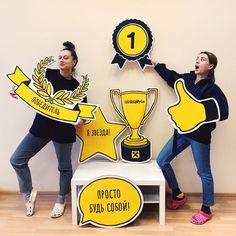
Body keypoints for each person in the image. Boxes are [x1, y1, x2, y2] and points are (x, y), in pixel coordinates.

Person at [10, 41, 86, 218]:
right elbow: (28, 87)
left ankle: (61, 200)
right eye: (59, 57)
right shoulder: (46, 74)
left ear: (74, 62)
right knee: (17, 159)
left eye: (65, 58)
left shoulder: (78, 87)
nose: (61, 60)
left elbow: (83, 115)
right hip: (41, 127)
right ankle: (28, 195)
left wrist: (80, 121)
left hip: (63, 132)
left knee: (64, 168)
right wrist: (17, 90)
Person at [152, 51, 229, 224]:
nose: (197, 60)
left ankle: (206, 209)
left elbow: (223, 111)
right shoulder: (186, 79)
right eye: (197, 58)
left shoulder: (212, 89)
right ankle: (178, 195)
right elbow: (172, 77)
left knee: (203, 172)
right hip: (182, 132)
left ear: (210, 67)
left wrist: (199, 115)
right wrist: (156, 65)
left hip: (199, 137)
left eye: (202, 59)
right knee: (162, 161)